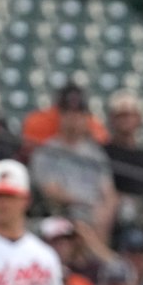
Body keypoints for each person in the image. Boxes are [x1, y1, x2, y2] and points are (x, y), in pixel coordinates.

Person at [28, 85, 118, 240]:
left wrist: (105, 211)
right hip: (64, 213)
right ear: (60, 116)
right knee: (77, 219)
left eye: (79, 114)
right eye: (68, 113)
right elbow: (51, 191)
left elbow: (109, 192)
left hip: (94, 215)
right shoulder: (46, 151)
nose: (74, 119)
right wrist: (87, 204)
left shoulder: (96, 153)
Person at [103, 90, 143, 220]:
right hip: (113, 213)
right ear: (112, 119)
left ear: (139, 118)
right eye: (121, 115)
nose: (126, 120)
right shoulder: (102, 152)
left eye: (130, 115)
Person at [20, 82, 109, 154]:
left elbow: (102, 142)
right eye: (67, 112)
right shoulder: (39, 121)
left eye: (77, 113)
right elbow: (29, 149)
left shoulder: (91, 124)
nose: (72, 117)